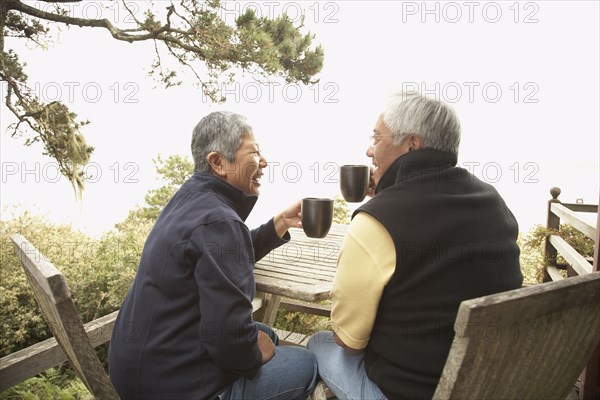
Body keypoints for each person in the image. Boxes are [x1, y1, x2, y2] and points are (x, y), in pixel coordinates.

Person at [307, 91, 523, 400]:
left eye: (377, 139)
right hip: (485, 384)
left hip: (404, 392)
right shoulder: (493, 202)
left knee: (320, 342)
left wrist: (380, 207)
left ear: (412, 144)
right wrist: (386, 195)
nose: (369, 150)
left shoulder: (377, 221)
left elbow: (348, 340)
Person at [108, 111, 317, 400]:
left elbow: (225, 257)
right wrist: (253, 354)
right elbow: (228, 339)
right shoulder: (219, 222)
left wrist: (278, 224)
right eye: (254, 153)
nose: (264, 162)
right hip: (173, 387)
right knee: (304, 362)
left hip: (140, 369)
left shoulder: (191, 199)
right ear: (218, 162)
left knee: (267, 335)